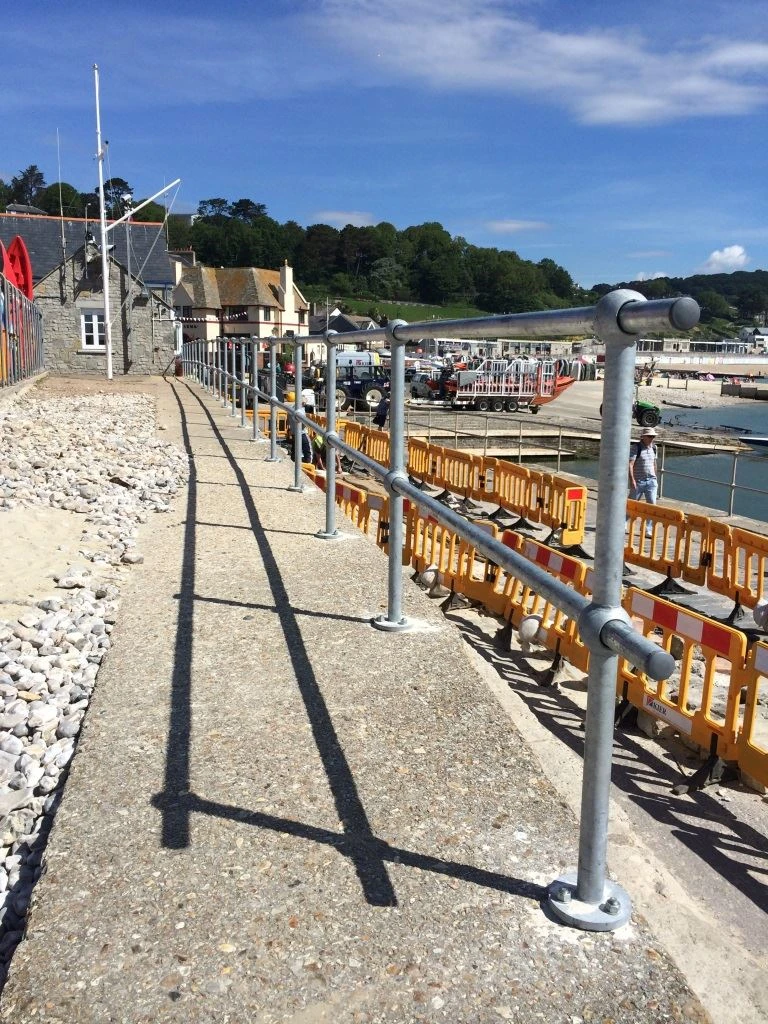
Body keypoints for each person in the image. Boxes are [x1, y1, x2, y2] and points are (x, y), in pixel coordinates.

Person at [629, 427, 658, 537]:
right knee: (632, 504)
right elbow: (630, 464)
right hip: (638, 481)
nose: (652, 438)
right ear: (643, 437)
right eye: (650, 436)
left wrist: (655, 477)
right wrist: (632, 480)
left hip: (651, 481)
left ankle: (647, 529)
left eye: (653, 436)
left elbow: (654, 463)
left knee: (652, 505)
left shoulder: (654, 448)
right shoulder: (636, 448)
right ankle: (622, 523)